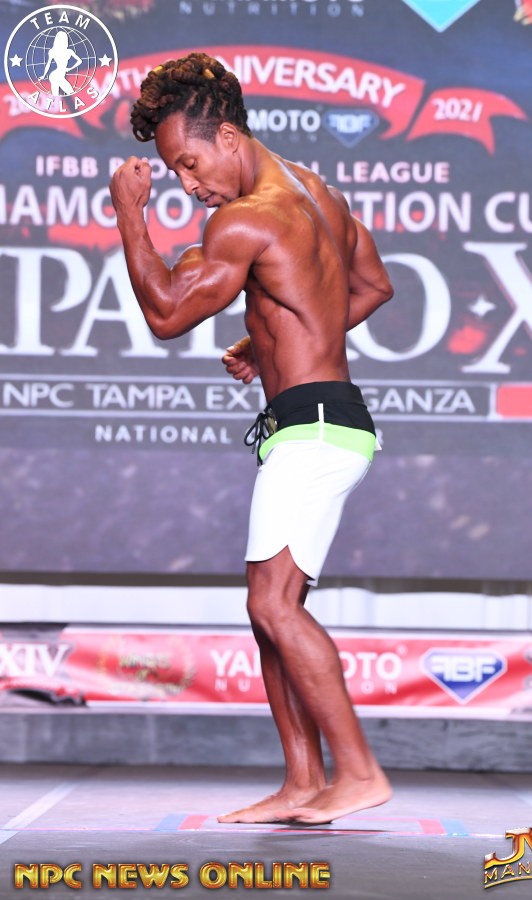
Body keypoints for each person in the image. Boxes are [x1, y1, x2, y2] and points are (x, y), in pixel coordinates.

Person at [110, 52, 394, 826]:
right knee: (272, 608)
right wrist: (275, 338)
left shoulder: (243, 218)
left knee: (273, 606)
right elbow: (372, 285)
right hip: (326, 424)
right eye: (174, 171)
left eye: (189, 163)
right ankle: (303, 782)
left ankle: (358, 772)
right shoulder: (318, 192)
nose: (187, 183)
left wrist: (129, 214)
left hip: (314, 432)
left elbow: (168, 313)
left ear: (228, 138)